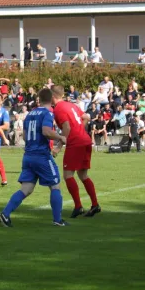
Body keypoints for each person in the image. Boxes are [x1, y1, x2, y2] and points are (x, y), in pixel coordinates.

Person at [0, 88, 68, 228]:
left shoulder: (29, 114)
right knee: (55, 185)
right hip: (41, 156)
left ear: (39, 99)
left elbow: (24, 136)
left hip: (28, 156)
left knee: (26, 189)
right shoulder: (48, 113)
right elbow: (46, 132)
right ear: (52, 99)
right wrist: (61, 137)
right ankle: (58, 220)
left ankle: (5, 213)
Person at [51, 86, 101, 218]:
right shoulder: (70, 105)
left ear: (52, 96)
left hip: (75, 143)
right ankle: (95, 205)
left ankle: (78, 206)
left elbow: (66, 127)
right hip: (85, 140)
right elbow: (86, 117)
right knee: (83, 175)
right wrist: (79, 129)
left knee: (68, 175)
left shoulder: (58, 108)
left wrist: (59, 146)